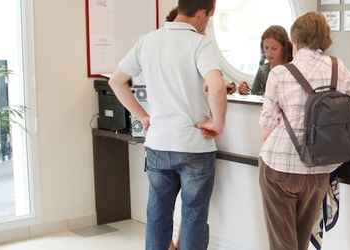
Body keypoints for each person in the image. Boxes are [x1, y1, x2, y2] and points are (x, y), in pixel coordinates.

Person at [107, 0, 226, 250]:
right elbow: (216, 85)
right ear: (202, 13)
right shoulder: (201, 44)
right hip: (195, 145)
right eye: (209, 17)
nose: (207, 23)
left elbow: (117, 81)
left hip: (159, 144)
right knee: (194, 218)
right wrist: (217, 122)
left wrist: (142, 115)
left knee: (157, 217)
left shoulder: (148, 40)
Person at [258, 12, 350, 250]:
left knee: (282, 243)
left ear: (295, 40)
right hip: (320, 167)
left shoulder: (279, 73)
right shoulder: (336, 67)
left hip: (280, 167)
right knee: (301, 242)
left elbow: (267, 126)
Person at [238, 25, 294, 96]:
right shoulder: (262, 70)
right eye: (266, 48)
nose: (269, 53)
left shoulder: (292, 69)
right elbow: (254, 94)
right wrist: (245, 91)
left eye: (274, 49)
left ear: (284, 49)